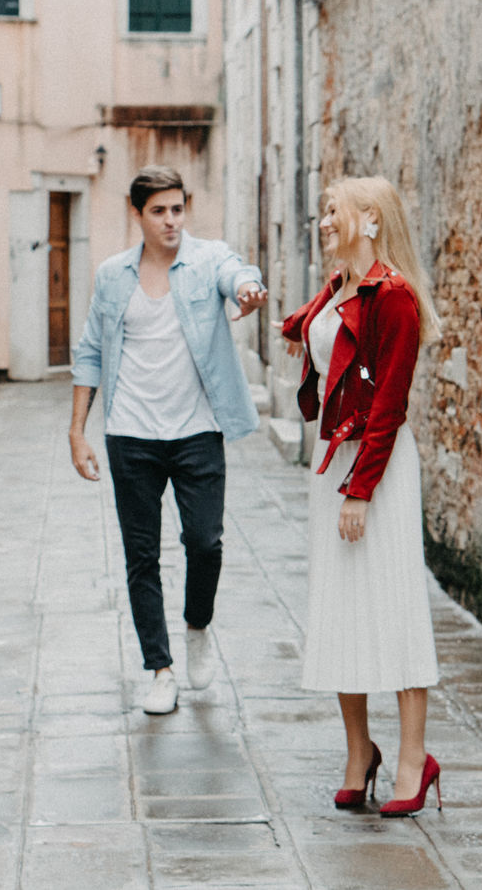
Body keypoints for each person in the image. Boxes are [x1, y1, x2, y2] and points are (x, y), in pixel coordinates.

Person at [70, 165, 268, 715]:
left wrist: (248, 289)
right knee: (141, 557)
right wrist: (76, 432)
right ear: (138, 215)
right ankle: (160, 669)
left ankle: (197, 624)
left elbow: (237, 273)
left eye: (177, 209)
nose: (170, 221)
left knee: (205, 542)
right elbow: (89, 351)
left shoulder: (207, 260)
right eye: (158, 211)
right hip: (130, 434)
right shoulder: (113, 276)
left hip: (196, 431)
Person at [277, 176, 442, 816]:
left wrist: (361, 491)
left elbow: (390, 405)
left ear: (369, 217)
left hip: (375, 467)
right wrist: (284, 319)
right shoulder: (341, 287)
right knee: (339, 607)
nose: (322, 221)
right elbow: (316, 328)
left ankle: (412, 758)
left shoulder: (394, 297)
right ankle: (358, 752)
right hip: (334, 464)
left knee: (395, 605)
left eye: (332, 211)